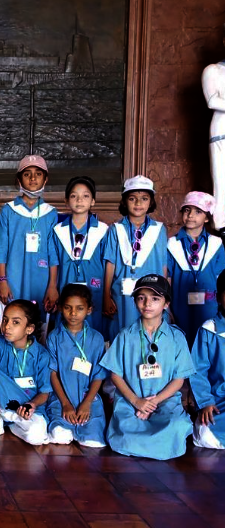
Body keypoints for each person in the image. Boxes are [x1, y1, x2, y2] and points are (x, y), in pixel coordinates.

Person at [99, 275, 195, 460]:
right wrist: (137, 402)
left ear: (166, 304)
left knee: (175, 425)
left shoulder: (177, 337)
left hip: (165, 401)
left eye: (155, 298)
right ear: (135, 302)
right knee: (125, 434)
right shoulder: (125, 335)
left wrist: (155, 401)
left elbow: (179, 379)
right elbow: (115, 375)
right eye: (141, 298)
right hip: (131, 402)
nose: (147, 303)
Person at [0, 155, 57, 341]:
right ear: (19, 179)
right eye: (27, 174)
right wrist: (2, 281)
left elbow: (53, 252)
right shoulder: (9, 210)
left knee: (37, 328)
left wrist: (52, 286)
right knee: (12, 326)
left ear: (46, 179)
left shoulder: (50, 213)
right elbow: (1, 248)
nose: (33, 178)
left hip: (41, 280)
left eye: (38, 174)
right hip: (13, 278)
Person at [0, 299, 51, 445]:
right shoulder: (1, 342)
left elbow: (45, 393)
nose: (7, 326)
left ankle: (11, 421)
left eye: (15, 322)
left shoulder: (42, 355)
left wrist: (32, 405)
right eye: (5, 320)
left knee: (37, 437)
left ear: (29, 329)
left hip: (26, 406)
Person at [103, 175, 168, 340]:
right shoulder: (115, 229)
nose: (138, 203)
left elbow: (163, 265)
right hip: (122, 293)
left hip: (151, 291)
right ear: (124, 202)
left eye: (144, 198)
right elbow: (110, 264)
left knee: (150, 333)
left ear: (151, 202)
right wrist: (106, 295)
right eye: (132, 198)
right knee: (123, 333)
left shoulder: (159, 230)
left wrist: (165, 294)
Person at [45, 176, 109, 338]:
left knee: (94, 326)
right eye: (74, 196)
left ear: (93, 201)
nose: (79, 200)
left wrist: (108, 294)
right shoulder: (57, 231)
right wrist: (52, 287)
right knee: (65, 325)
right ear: (66, 201)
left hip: (95, 286)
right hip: (65, 284)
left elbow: (108, 263)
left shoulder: (103, 230)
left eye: (85, 196)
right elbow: (53, 261)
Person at [45, 284, 107, 448]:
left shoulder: (97, 338)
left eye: (79, 308)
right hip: (60, 398)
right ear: (60, 308)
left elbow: (99, 375)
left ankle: (87, 426)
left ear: (89, 310)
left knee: (93, 441)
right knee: (60, 435)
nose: (73, 313)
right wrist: (65, 404)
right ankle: (63, 423)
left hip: (88, 398)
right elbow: (52, 373)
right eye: (68, 308)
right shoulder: (54, 337)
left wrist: (87, 403)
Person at [167, 191, 225, 345]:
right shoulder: (172, 244)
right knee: (182, 343)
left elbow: (221, 278)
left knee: (207, 343)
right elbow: (167, 278)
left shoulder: (216, 244)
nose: (191, 215)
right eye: (187, 210)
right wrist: (167, 308)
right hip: (180, 305)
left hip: (210, 307)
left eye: (198, 211)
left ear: (207, 218)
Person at [189, 270, 225, 449]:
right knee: (206, 434)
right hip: (219, 400)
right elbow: (198, 371)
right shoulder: (209, 329)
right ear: (218, 297)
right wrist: (205, 402)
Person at [202, 31, 225, 229]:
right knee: (221, 181)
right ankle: (222, 224)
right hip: (222, 131)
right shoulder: (213, 70)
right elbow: (212, 101)